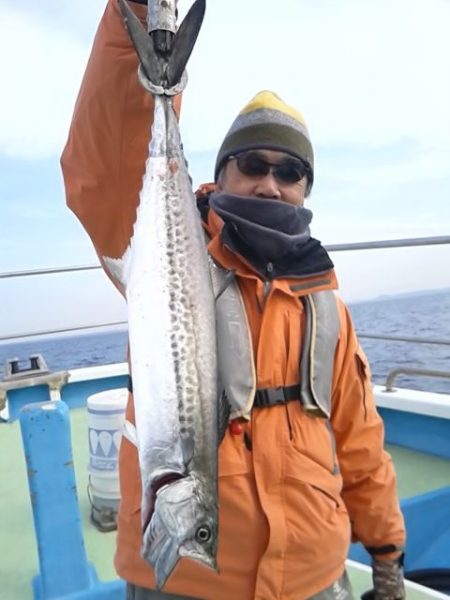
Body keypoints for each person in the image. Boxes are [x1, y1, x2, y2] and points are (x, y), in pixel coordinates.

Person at [61, 1, 406, 598]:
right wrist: (140, 25)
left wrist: (387, 555)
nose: (270, 182)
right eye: (252, 163)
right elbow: (103, 169)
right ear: (223, 175)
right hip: (188, 585)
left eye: (290, 171)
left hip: (313, 580)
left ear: (305, 189)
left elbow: (360, 443)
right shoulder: (170, 256)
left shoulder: (326, 308)